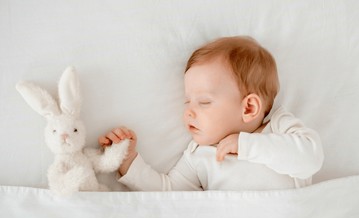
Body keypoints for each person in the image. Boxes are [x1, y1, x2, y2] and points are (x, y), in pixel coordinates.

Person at [99, 36, 324, 191]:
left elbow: (310, 160)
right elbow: (167, 191)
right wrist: (128, 162)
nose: (189, 112)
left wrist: (247, 146)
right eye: (188, 101)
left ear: (249, 108)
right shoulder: (199, 155)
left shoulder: (279, 127)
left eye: (204, 102)